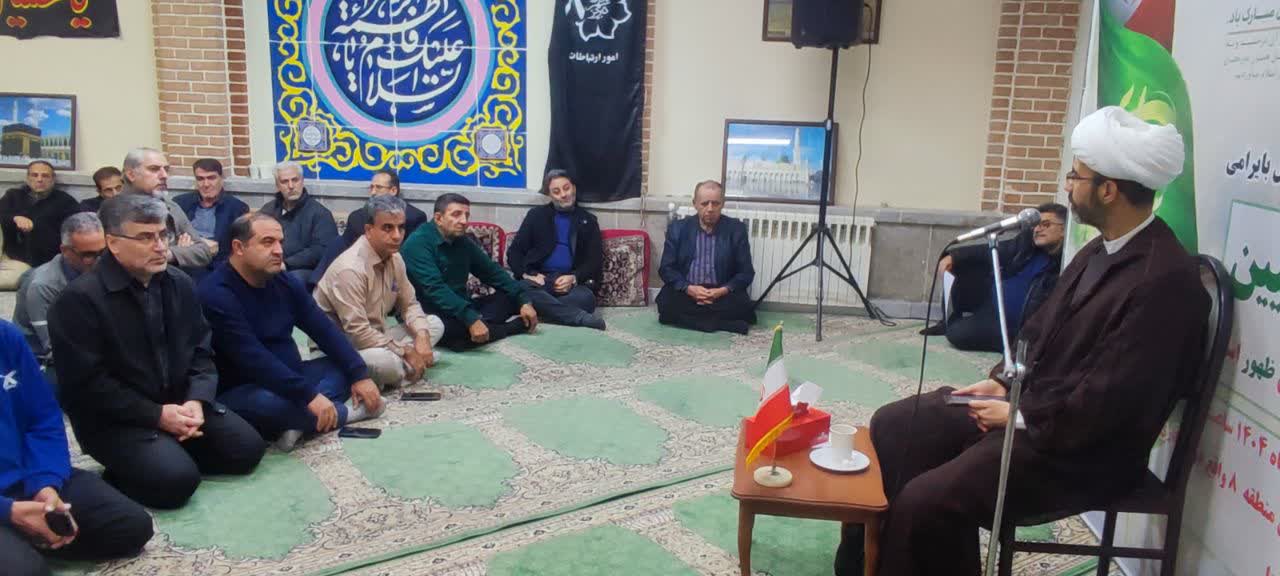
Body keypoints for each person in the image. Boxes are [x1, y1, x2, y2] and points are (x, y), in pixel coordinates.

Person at [834, 106, 1210, 575]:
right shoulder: (1101, 248)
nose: (1068, 186)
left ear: (1108, 190)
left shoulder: (1164, 282)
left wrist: (1020, 416)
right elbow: (1041, 329)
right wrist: (1002, 382)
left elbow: (1115, 402)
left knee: (926, 500)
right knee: (896, 425)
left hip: (1080, 453)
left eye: (1076, 176)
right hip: (1041, 413)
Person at [48, 194, 266, 510]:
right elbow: (88, 386)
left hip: (178, 402)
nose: (161, 246)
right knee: (176, 483)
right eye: (146, 238)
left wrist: (197, 400)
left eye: (164, 235)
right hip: (117, 419)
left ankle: (164, 454)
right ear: (113, 243)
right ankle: (139, 466)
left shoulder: (179, 283)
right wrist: (157, 416)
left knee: (247, 450)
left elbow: (201, 349)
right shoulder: (79, 301)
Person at [199, 213, 384, 451]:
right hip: (242, 388)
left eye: (280, 242)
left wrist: (359, 375)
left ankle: (298, 423)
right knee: (271, 404)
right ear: (239, 247)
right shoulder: (216, 293)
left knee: (347, 365)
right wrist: (309, 396)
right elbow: (253, 359)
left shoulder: (283, 281)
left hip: (291, 376)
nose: (279, 251)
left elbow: (323, 329)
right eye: (268, 242)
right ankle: (343, 413)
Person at [0, 319, 154, 576]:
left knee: (130, 527)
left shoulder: (6, 336)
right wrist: (7, 511)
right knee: (27, 572)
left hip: (23, 477)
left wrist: (45, 485)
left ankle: (23, 534)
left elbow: (42, 419)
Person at [314, 195, 444, 390]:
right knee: (384, 362)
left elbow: (410, 304)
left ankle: (400, 369)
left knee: (433, 324)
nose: (397, 236)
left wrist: (422, 338)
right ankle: (402, 368)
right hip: (341, 347)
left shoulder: (395, 259)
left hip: (378, 336)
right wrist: (406, 351)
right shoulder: (350, 269)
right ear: (368, 230)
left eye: (401, 227)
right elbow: (358, 333)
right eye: (388, 228)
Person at [922, 202, 1067, 352]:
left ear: (1064, 229)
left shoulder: (1065, 263)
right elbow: (994, 250)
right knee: (960, 265)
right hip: (992, 302)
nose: (1037, 229)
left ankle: (1007, 344)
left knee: (956, 334)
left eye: (1046, 224)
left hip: (1012, 324)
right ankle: (947, 322)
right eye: (1036, 225)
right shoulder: (1027, 243)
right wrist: (954, 256)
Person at [402, 193, 537, 351]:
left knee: (513, 295)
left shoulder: (462, 241)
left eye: (466, 215)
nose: (464, 221)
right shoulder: (417, 243)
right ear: (438, 218)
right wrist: (471, 319)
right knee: (455, 334)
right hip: (429, 313)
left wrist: (523, 300)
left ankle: (481, 327)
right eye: (456, 215)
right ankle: (510, 328)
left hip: (461, 305)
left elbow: (492, 271)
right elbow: (435, 289)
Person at [507, 169, 606, 330]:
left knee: (586, 299)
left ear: (573, 188)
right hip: (540, 280)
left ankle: (540, 309)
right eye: (556, 191)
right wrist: (527, 275)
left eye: (566, 188)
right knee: (521, 288)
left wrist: (574, 277)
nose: (563, 195)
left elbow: (594, 260)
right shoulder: (536, 216)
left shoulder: (588, 220)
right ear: (550, 195)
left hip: (570, 285)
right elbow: (514, 252)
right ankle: (577, 317)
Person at [656, 180, 757, 334]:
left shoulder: (736, 229)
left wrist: (722, 291)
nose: (710, 209)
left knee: (743, 306)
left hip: (721, 293)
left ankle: (695, 321)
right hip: (688, 291)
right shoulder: (678, 228)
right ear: (695, 204)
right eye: (704, 204)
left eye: (715, 203)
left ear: (722, 204)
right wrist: (689, 289)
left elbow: (746, 273)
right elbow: (666, 269)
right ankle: (722, 324)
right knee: (666, 303)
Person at [308, 169, 428, 288]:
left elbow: (412, 256)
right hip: (359, 271)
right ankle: (317, 285)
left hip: (394, 272)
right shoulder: (357, 217)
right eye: (371, 188)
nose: (373, 192)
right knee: (337, 242)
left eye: (379, 187)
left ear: (393, 190)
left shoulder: (414, 217)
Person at [14, 213, 106, 363]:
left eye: (103, 252)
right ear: (65, 251)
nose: (99, 261)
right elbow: (55, 348)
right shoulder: (42, 286)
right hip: (39, 357)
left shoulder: (99, 268)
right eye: (88, 255)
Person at [120, 147, 217, 272]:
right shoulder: (114, 212)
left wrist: (171, 254)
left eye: (166, 169)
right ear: (131, 175)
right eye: (154, 169)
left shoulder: (171, 206)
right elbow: (131, 258)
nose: (164, 175)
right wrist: (183, 252)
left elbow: (203, 251)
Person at [0, 161, 82, 288]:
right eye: (34, 175)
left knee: (21, 276)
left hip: (34, 262)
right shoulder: (13, 195)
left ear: (53, 179)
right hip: (6, 254)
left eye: (45, 176)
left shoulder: (65, 202)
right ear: (28, 178)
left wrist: (35, 228)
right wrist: (15, 218)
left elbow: (74, 231)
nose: (39, 179)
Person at [259, 161, 338, 284]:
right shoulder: (268, 210)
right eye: (285, 182)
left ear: (302, 181)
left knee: (291, 279)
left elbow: (321, 250)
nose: (291, 186)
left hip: (305, 271)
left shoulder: (320, 214)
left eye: (295, 180)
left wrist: (286, 264)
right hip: (271, 264)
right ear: (277, 185)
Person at [172, 158, 250, 278]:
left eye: (211, 178)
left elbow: (240, 247)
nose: (206, 184)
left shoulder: (237, 208)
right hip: (182, 263)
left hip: (216, 266)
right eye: (200, 179)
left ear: (221, 179)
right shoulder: (179, 203)